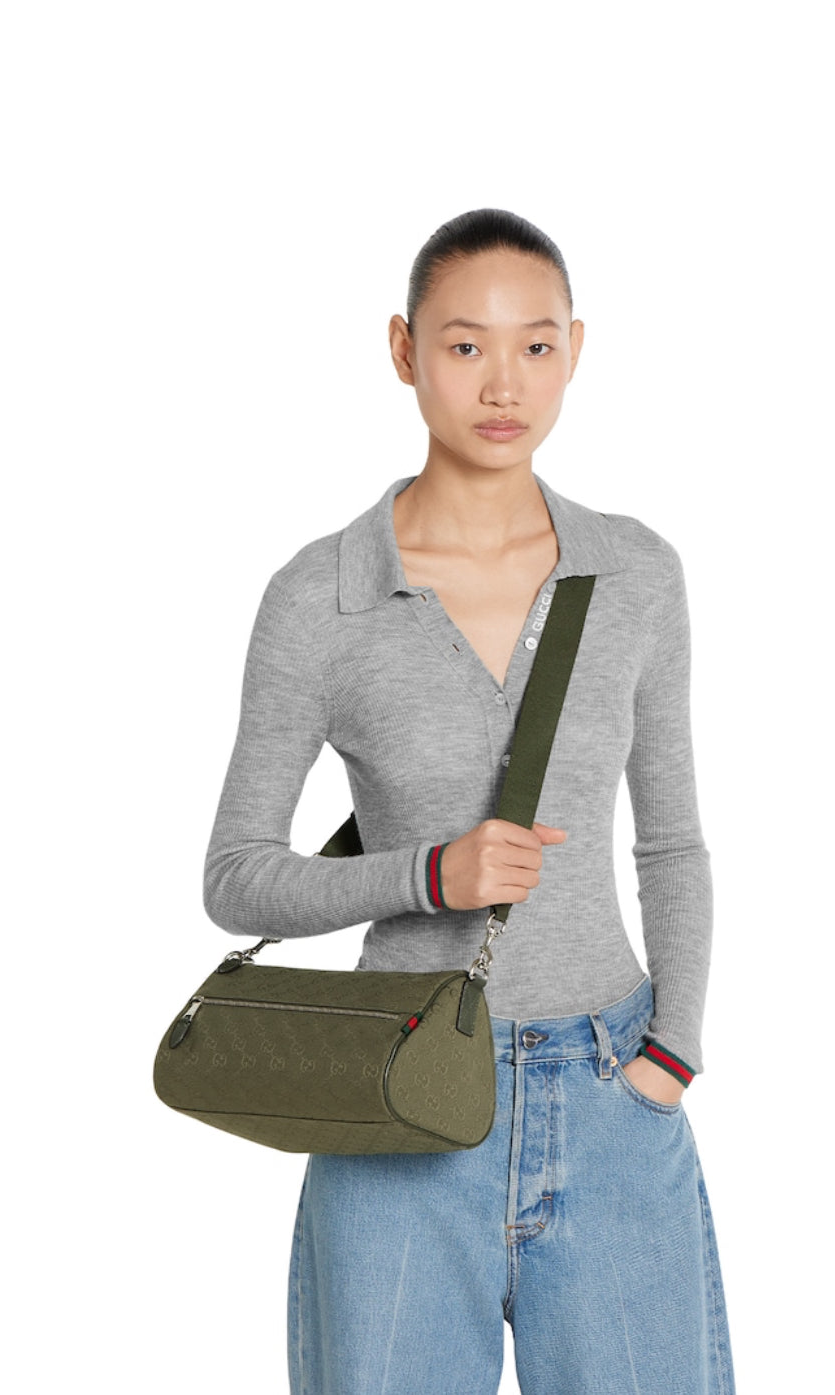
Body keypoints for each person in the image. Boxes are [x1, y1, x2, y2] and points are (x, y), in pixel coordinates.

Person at [203, 208, 737, 1394]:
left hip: (611, 1089)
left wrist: (672, 1056)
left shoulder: (635, 573)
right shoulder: (320, 595)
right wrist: (428, 874)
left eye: (536, 345)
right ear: (404, 350)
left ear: (575, 350)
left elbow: (673, 843)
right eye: (464, 345)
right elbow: (236, 876)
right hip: (393, 1104)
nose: (505, 384)